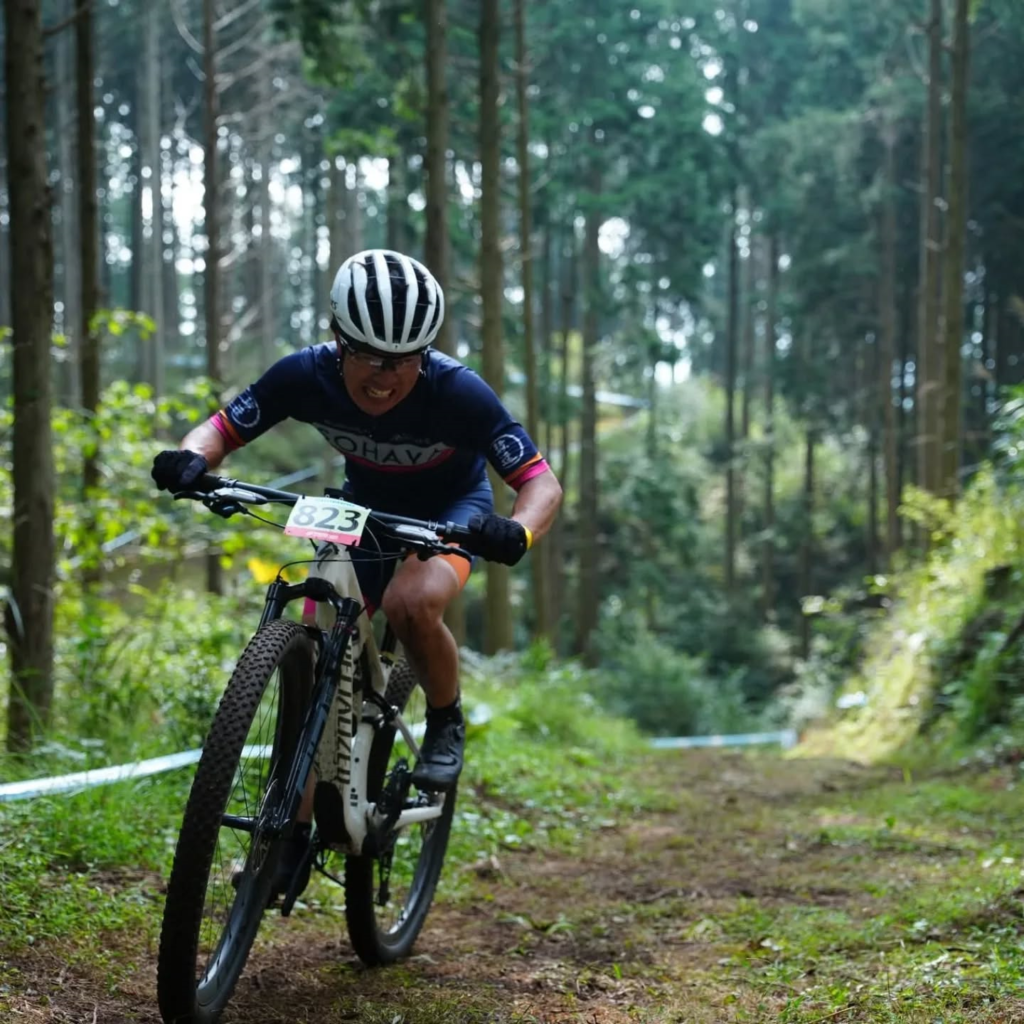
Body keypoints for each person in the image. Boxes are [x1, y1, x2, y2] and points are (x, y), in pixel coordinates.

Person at [152, 249, 562, 893]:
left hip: (453, 512)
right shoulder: (304, 375)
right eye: (368, 355)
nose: (383, 375)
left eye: (403, 360)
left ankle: (446, 719)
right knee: (319, 641)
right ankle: (290, 836)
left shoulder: (457, 391)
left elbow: (540, 482)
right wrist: (189, 460)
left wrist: (519, 529)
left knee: (411, 603)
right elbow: (223, 429)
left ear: (424, 354)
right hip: (363, 508)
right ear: (338, 338)